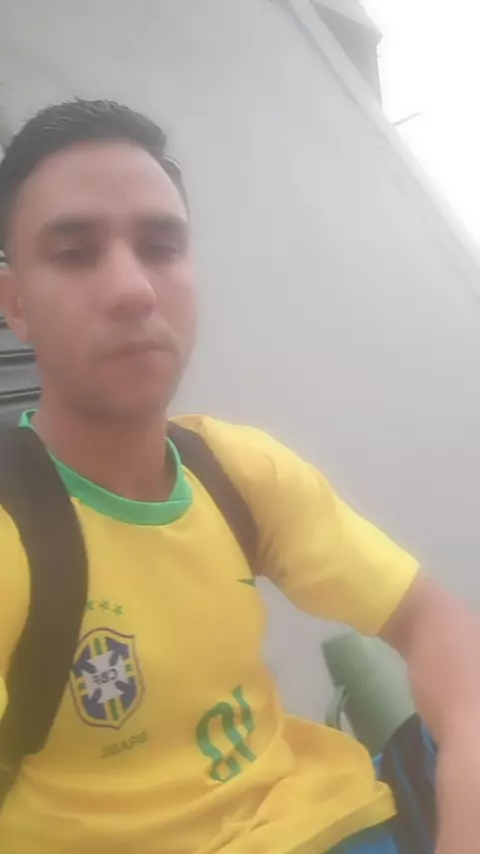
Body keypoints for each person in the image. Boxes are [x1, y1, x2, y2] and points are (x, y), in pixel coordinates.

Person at [0, 99, 477, 854]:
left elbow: (434, 623)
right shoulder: (14, 524)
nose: (133, 288)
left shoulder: (235, 471)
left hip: (341, 820)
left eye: (161, 247)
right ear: (16, 304)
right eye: (75, 253)